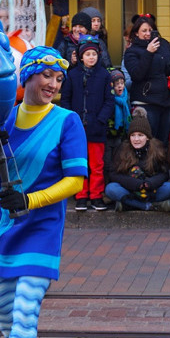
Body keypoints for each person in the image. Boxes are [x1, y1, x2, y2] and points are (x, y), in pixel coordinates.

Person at [0, 46, 86, 338]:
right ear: (28, 76)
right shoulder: (1, 119)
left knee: (24, 313)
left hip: (42, 228)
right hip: (3, 228)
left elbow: (75, 181)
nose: (53, 84)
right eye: (47, 75)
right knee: (5, 314)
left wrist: (30, 201)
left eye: (59, 79)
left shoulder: (67, 121)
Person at [60, 35, 114, 211]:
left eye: (94, 54)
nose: (91, 57)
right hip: (77, 129)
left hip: (97, 128)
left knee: (97, 165)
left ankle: (96, 195)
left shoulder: (104, 75)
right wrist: (71, 120)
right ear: (81, 56)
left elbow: (109, 101)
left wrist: (101, 120)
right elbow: (65, 99)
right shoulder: (72, 75)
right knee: (79, 163)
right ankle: (81, 195)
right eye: (88, 54)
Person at [104, 107, 170, 212]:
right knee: (111, 188)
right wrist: (135, 184)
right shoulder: (123, 148)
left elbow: (164, 174)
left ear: (147, 137)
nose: (136, 139)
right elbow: (114, 174)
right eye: (133, 135)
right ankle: (148, 206)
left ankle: (129, 205)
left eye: (140, 135)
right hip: (130, 190)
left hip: (151, 191)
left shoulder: (157, 149)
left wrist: (150, 183)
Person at [123, 14, 170, 145]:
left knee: (162, 141)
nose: (148, 33)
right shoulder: (132, 51)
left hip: (165, 100)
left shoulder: (162, 45)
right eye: (144, 30)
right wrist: (148, 52)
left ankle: (161, 159)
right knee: (147, 141)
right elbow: (137, 74)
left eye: (150, 30)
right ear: (136, 33)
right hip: (145, 102)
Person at [104, 69, 130, 185]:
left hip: (120, 136)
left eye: (122, 83)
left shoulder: (125, 98)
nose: (120, 86)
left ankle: (115, 183)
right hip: (108, 136)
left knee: (118, 161)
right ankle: (106, 184)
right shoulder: (109, 100)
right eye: (116, 84)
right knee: (107, 162)